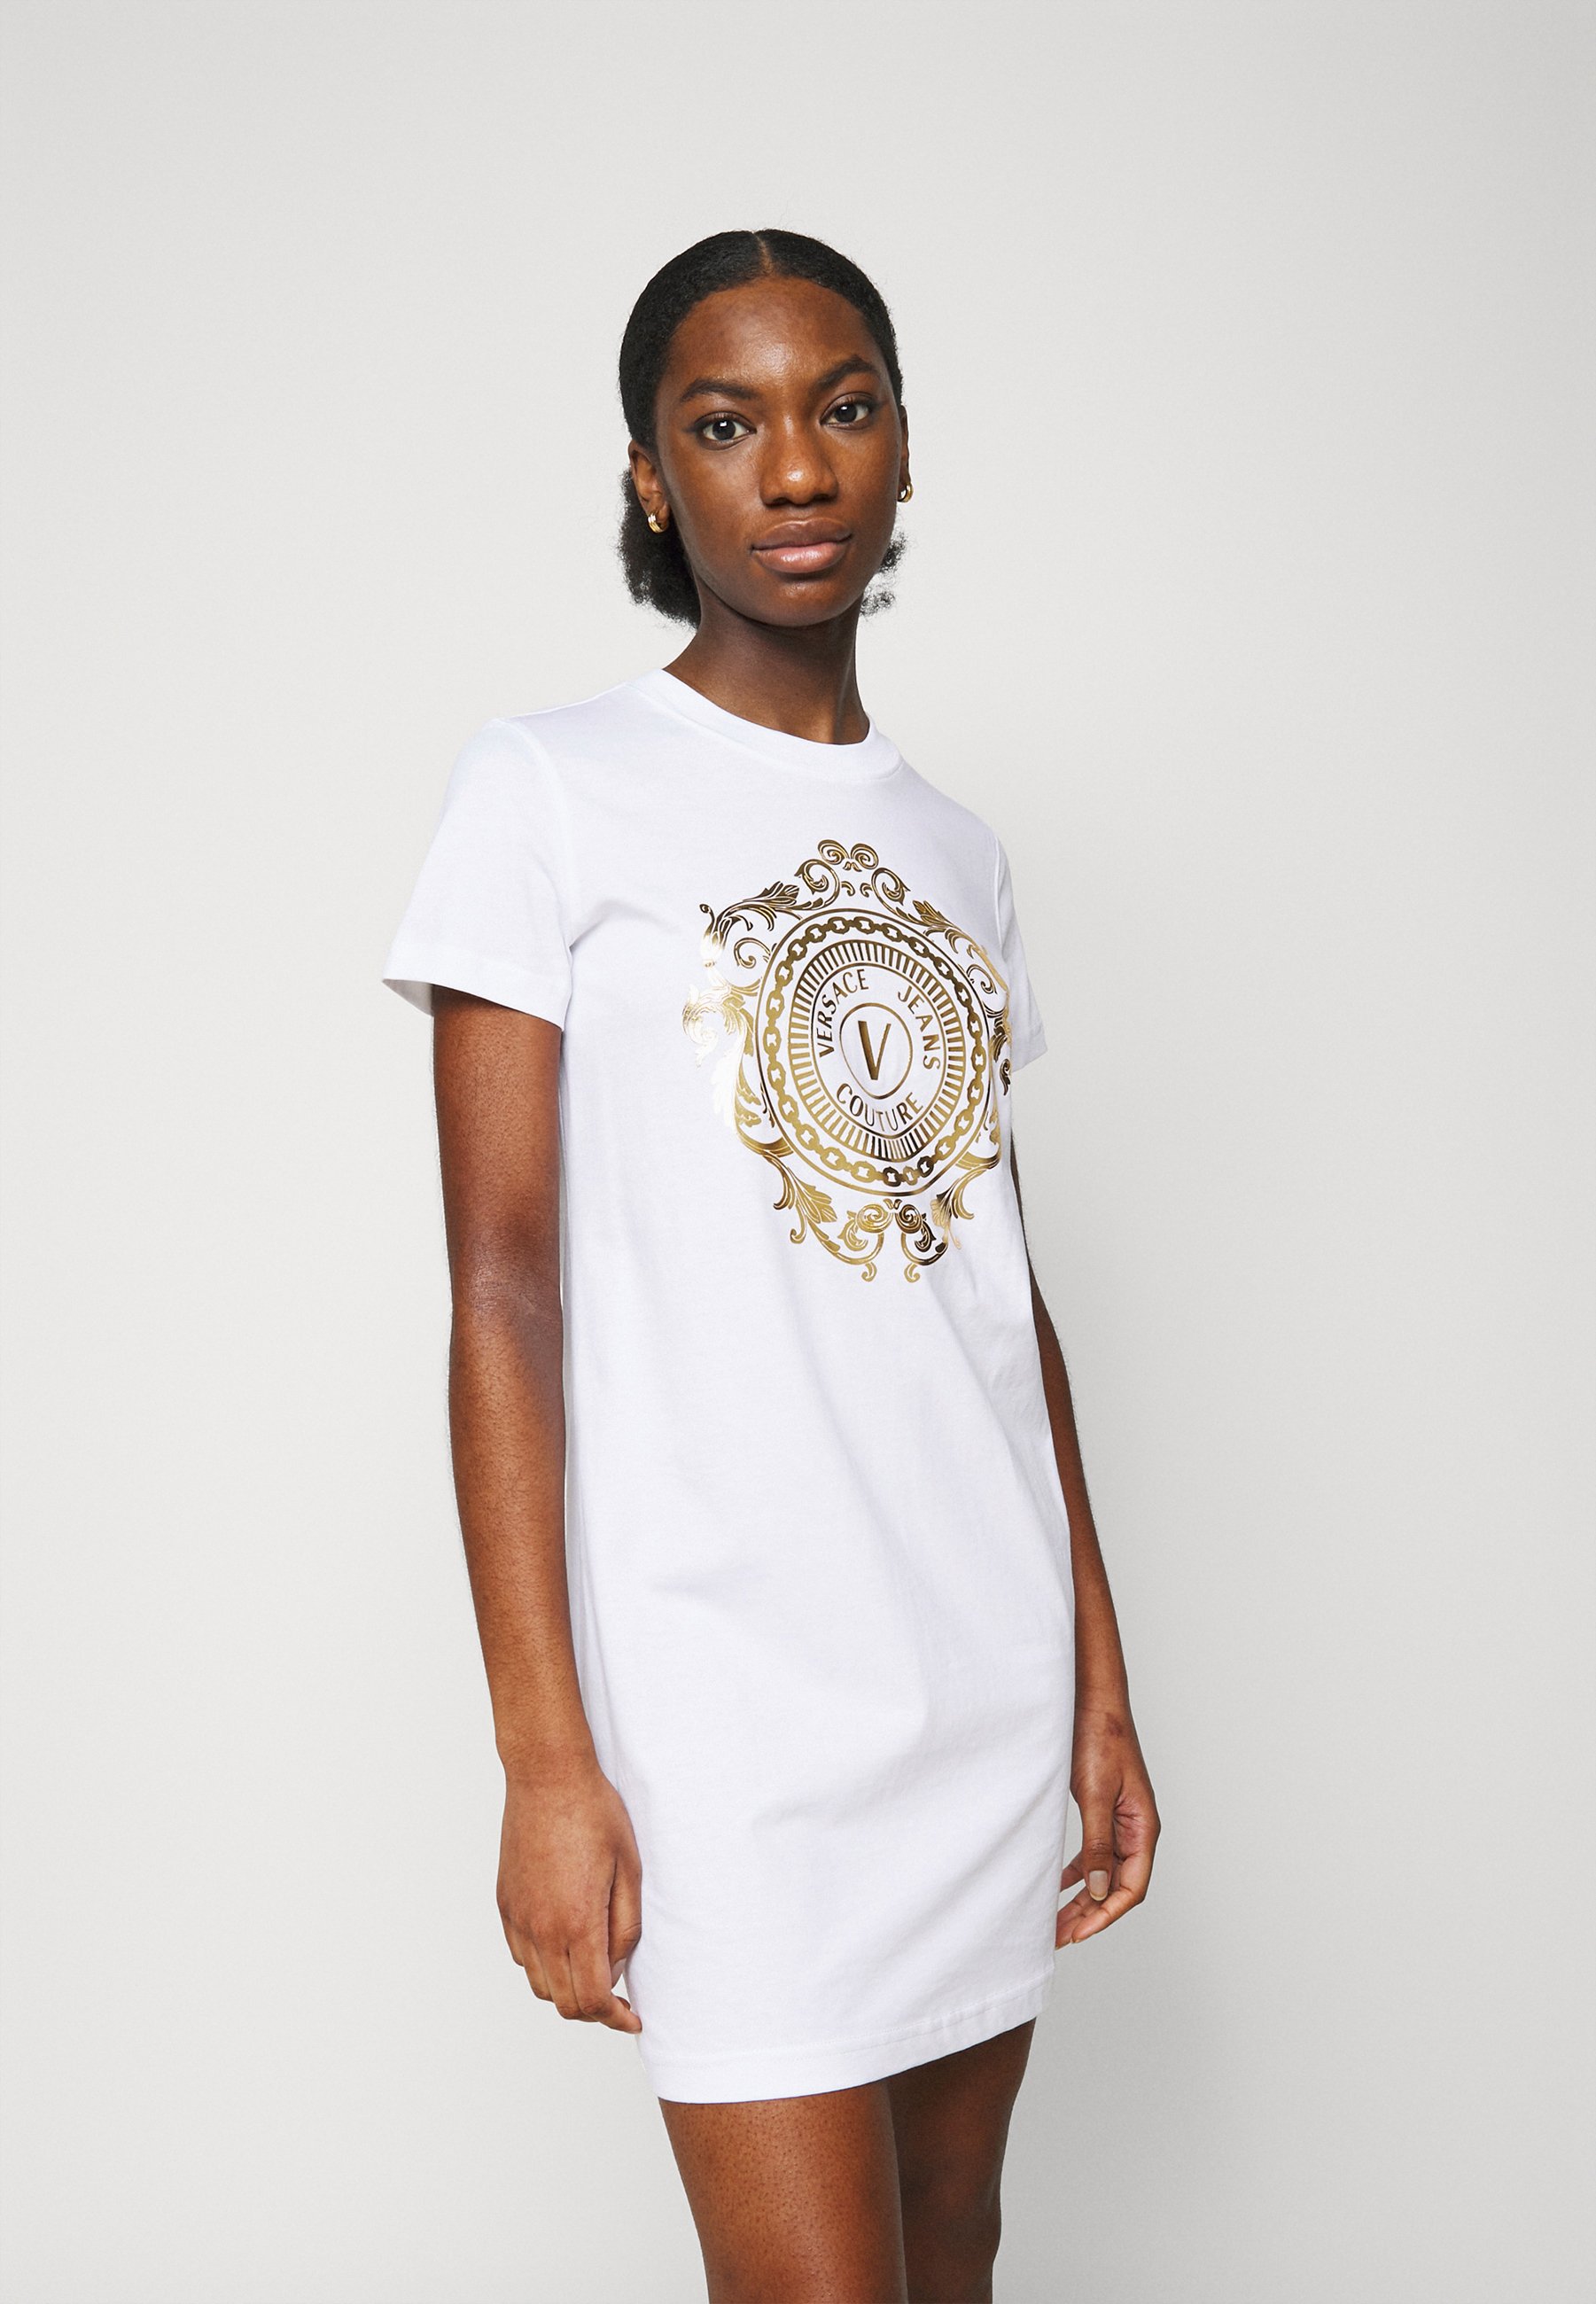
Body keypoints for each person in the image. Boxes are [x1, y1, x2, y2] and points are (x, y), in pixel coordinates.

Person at [384, 228, 1159, 2304]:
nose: (795, 468)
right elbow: (503, 1290)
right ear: (652, 480)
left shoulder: (960, 847)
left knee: (954, 2254)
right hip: (726, 1703)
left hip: (977, 1672)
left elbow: (1000, 1287)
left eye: (843, 407)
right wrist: (545, 1758)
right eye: (723, 425)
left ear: (901, 445)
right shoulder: (547, 790)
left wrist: (1096, 1680)